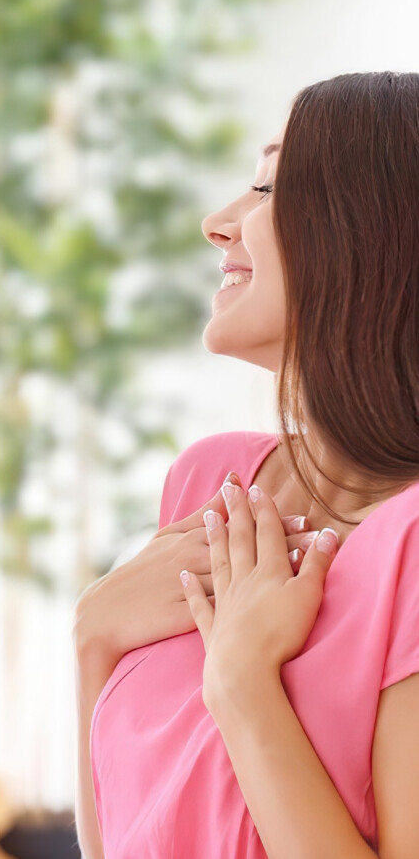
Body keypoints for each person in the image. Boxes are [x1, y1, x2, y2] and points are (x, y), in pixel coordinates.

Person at [74, 72, 419, 858]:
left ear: (372, 230)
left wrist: (241, 687)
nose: (217, 223)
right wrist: (94, 633)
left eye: (267, 187)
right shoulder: (211, 484)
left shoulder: (413, 546)